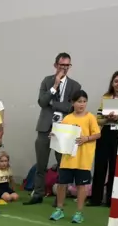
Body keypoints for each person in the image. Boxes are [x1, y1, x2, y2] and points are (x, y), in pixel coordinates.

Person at [28, 53, 82, 205]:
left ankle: (59, 197)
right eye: (61, 65)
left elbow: (71, 107)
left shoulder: (75, 86)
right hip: (45, 127)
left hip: (63, 129)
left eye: (67, 65)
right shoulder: (47, 81)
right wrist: (54, 87)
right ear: (55, 65)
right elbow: (42, 102)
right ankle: (38, 194)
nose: (64, 68)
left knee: (62, 165)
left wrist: (53, 104)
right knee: (41, 164)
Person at [49, 90, 100, 224]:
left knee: (81, 186)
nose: (81, 104)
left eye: (84, 101)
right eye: (79, 101)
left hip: (83, 159)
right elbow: (62, 135)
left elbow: (98, 134)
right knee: (62, 184)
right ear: (73, 103)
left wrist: (86, 138)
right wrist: (54, 136)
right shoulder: (67, 119)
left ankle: (79, 213)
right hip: (68, 158)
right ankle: (59, 209)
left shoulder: (90, 117)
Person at [89, 71, 118, 207]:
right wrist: (107, 118)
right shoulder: (106, 97)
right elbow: (98, 119)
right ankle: (95, 199)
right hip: (105, 133)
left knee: (115, 168)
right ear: (112, 83)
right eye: (116, 81)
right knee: (100, 165)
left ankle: (111, 199)